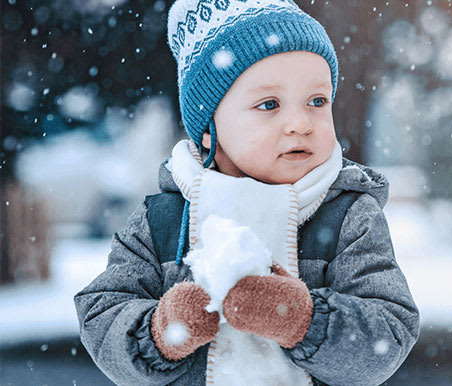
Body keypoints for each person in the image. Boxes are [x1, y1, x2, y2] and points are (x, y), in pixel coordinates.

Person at [73, 1, 419, 385]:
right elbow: (102, 316)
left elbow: (389, 332)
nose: (300, 123)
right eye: (269, 104)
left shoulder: (347, 215)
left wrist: (302, 319)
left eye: (317, 102)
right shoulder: (164, 221)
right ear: (208, 129)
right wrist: (162, 332)